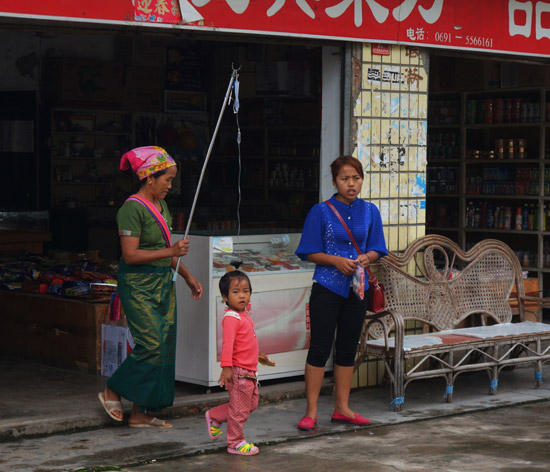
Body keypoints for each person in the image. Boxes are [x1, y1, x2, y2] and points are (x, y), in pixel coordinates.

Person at [98, 146, 203, 428]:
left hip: (162, 284)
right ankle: (113, 389)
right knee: (151, 344)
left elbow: (164, 249)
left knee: (165, 347)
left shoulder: (162, 206)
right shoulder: (131, 209)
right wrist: (171, 252)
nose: (171, 185)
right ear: (149, 178)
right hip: (138, 284)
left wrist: (187, 276)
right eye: (167, 179)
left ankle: (141, 412)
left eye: (172, 179)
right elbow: (130, 255)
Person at [295, 155, 388, 430]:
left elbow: (377, 248)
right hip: (326, 287)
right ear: (334, 181)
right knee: (320, 348)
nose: (351, 184)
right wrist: (336, 261)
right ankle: (311, 412)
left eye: (356, 178)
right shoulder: (320, 211)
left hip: (358, 289)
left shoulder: (370, 211)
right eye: (345, 178)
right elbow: (308, 250)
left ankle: (342, 408)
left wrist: (366, 258)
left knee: (348, 348)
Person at [204, 270, 260, 456]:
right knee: (239, 411)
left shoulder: (244, 315)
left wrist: (261, 357)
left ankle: (214, 416)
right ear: (225, 297)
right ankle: (235, 442)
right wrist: (226, 368)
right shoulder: (231, 318)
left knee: (250, 405)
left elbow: (246, 342)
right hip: (239, 372)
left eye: (246, 291)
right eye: (236, 292)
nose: (242, 295)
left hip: (250, 371)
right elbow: (228, 345)